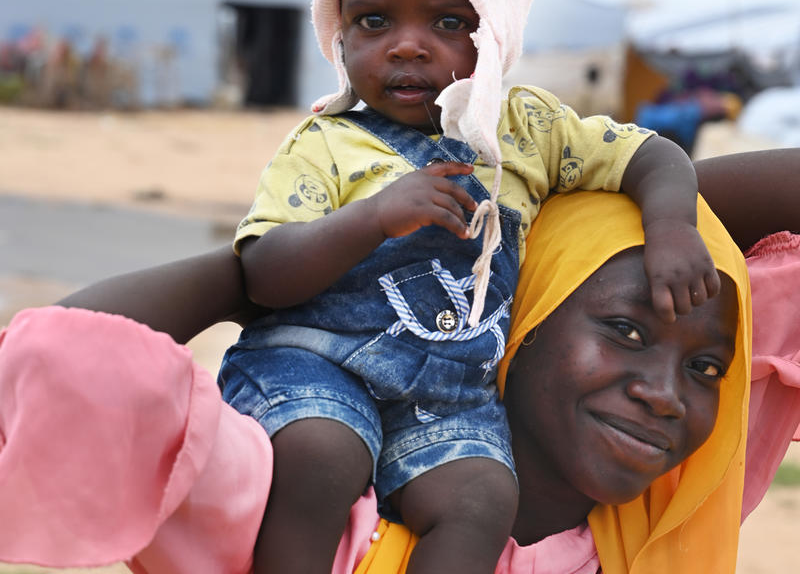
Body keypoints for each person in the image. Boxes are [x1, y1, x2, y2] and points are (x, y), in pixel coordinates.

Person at [2, 148, 798, 574]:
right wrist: (262, 275)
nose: (668, 394)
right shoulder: (290, 507)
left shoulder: (667, 519)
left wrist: (651, 199)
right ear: (511, 321)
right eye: (624, 330)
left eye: (706, 370)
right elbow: (59, 357)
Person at [223, 0, 718, 571]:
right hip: (316, 362)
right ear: (340, 37)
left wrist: (672, 226)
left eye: (450, 23)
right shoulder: (322, 144)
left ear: (498, 37)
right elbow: (264, 273)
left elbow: (651, 154)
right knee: (322, 455)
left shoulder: (529, 132)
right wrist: (372, 218)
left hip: (450, 394)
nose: (407, 47)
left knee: (483, 500)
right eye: (374, 22)